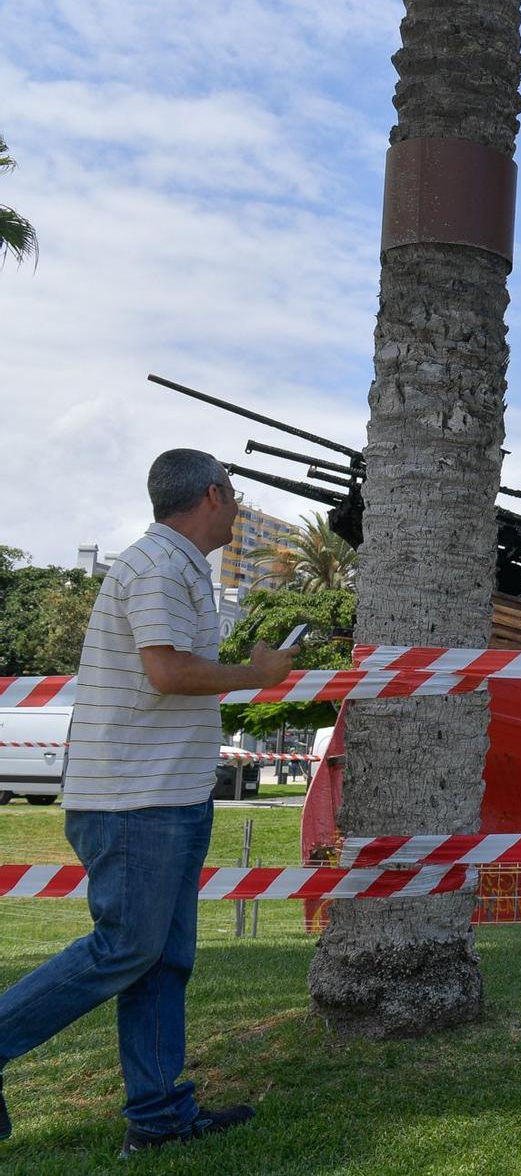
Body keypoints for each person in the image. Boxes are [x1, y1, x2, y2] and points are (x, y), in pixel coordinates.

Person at [0, 451, 296, 1156]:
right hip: (137, 800)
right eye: (237, 497)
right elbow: (165, 670)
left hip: (161, 792)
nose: (239, 508)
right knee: (126, 948)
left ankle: (159, 1118)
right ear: (215, 495)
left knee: (160, 959)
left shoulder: (167, 563)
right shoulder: (162, 566)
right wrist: (254, 674)